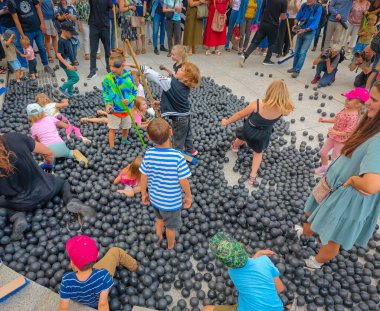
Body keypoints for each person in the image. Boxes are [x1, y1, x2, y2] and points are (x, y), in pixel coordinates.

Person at [295, 81, 380, 269]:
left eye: (374, 99)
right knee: (312, 214)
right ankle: (305, 233)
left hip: (347, 197)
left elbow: (371, 184)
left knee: (332, 237)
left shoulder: (378, 139)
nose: (368, 103)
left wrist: (352, 180)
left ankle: (316, 262)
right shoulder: (370, 122)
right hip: (332, 184)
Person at [0, 132, 95, 241]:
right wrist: (48, 164)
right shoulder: (14, 137)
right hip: (47, 188)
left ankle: (16, 216)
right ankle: (71, 200)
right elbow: (48, 152)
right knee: (63, 183)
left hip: (21, 204)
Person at [221, 80, 295, 185]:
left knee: (241, 137)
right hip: (263, 134)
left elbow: (239, 115)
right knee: (258, 153)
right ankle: (253, 176)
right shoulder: (284, 110)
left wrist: (226, 121)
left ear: (269, 91)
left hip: (249, 129)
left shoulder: (258, 104)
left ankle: (235, 147)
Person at [140, 118, 192, 249]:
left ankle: (158, 237)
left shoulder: (149, 154)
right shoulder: (177, 157)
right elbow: (183, 181)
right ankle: (170, 246)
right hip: (171, 203)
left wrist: (143, 194)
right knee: (170, 227)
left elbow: (143, 176)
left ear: (149, 137)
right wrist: (189, 196)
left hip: (155, 198)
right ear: (170, 132)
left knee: (159, 219)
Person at [203, 232, 284, 311]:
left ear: (228, 265)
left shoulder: (232, 272)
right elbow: (280, 288)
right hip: (277, 308)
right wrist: (259, 253)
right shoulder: (264, 261)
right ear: (241, 246)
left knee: (206, 309)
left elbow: (244, 270)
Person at [58, 235, 138, 310]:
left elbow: (63, 308)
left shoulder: (66, 281)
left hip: (82, 299)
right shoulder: (103, 276)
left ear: (72, 264)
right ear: (96, 257)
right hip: (97, 298)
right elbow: (102, 305)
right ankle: (135, 267)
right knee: (115, 251)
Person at [137, 61, 200, 155]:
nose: (178, 69)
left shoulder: (170, 83)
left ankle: (176, 156)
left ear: (185, 77)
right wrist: (161, 103)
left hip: (179, 119)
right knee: (187, 134)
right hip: (186, 115)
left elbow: (156, 77)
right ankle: (191, 150)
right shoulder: (185, 85)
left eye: (181, 69)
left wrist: (143, 69)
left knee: (178, 139)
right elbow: (175, 100)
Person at [315, 87, 368, 175]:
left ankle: (332, 172)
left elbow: (349, 132)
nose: (346, 101)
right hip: (333, 137)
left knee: (335, 158)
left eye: (350, 99)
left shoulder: (354, 117)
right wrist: (325, 120)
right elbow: (337, 119)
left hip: (341, 140)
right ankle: (324, 167)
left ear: (358, 104)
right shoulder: (345, 109)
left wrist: (337, 132)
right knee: (323, 152)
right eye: (347, 98)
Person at [8, 0, 54, 74]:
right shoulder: (12, 2)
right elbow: (16, 20)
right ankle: (33, 71)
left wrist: (42, 23)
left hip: (37, 28)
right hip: (26, 31)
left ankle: (46, 65)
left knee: (42, 47)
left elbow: (38, 8)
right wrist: (22, 35)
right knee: (30, 51)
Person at [102, 53, 138, 148]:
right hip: (114, 110)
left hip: (127, 109)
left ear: (122, 65)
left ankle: (124, 140)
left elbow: (134, 92)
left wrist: (129, 100)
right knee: (112, 128)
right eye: (110, 65)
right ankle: (112, 146)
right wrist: (108, 104)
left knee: (126, 127)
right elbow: (105, 91)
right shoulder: (108, 78)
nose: (112, 69)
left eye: (115, 66)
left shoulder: (129, 78)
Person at [240, 0, 287, 66]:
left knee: (256, 41)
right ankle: (267, 60)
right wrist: (286, 16)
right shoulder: (284, 2)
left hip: (263, 23)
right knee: (272, 43)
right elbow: (282, 17)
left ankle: (245, 55)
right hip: (273, 25)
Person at [287, 0, 322, 78]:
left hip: (309, 32)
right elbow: (298, 16)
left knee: (302, 52)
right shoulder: (304, 5)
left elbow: (315, 24)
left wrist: (305, 30)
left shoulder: (318, 8)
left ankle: (297, 70)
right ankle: (294, 67)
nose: (308, 0)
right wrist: (295, 25)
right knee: (297, 51)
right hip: (300, 30)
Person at [87, 0, 113, 80]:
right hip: (94, 26)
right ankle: (93, 71)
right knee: (93, 50)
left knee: (107, 50)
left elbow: (113, 8)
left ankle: (109, 69)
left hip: (105, 26)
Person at [0, 0, 27, 68]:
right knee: (8, 46)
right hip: (3, 26)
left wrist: (10, 11)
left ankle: (23, 64)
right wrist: (2, 11)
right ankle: (14, 65)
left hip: (13, 26)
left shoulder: (11, 1)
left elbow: (19, 11)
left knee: (17, 45)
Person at [57, 21, 80, 97]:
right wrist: (68, 65)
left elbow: (70, 52)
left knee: (70, 77)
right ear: (65, 31)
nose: (72, 35)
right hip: (66, 64)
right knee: (75, 78)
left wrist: (74, 62)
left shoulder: (68, 38)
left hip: (70, 62)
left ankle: (70, 93)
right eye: (71, 33)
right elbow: (58, 55)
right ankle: (62, 88)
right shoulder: (61, 41)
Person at [54, 0, 80, 65]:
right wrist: (63, 17)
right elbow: (58, 17)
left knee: (74, 45)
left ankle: (74, 59)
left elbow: (76, 18)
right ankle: (69, 62)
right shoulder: (56, 7)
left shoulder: (71, 6)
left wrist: (71, 17)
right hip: (63, 31)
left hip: (72, 29)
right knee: (66, 46)